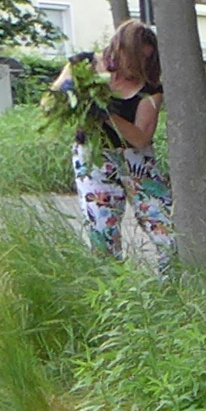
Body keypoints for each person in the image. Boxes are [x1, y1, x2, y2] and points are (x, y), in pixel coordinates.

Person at [69, 22, 172, 263]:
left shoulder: (151, 89)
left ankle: (173, 288)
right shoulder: (85, 66)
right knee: (102, 233)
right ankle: (114, 293)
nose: (139, 66)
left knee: (165, 226)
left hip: (136, 160)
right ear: (119, 48)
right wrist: (75, 98)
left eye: (146, 60)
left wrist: (107, 114)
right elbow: (53, 100)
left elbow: (140, 137)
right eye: (135, 58)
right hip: (93, 158)